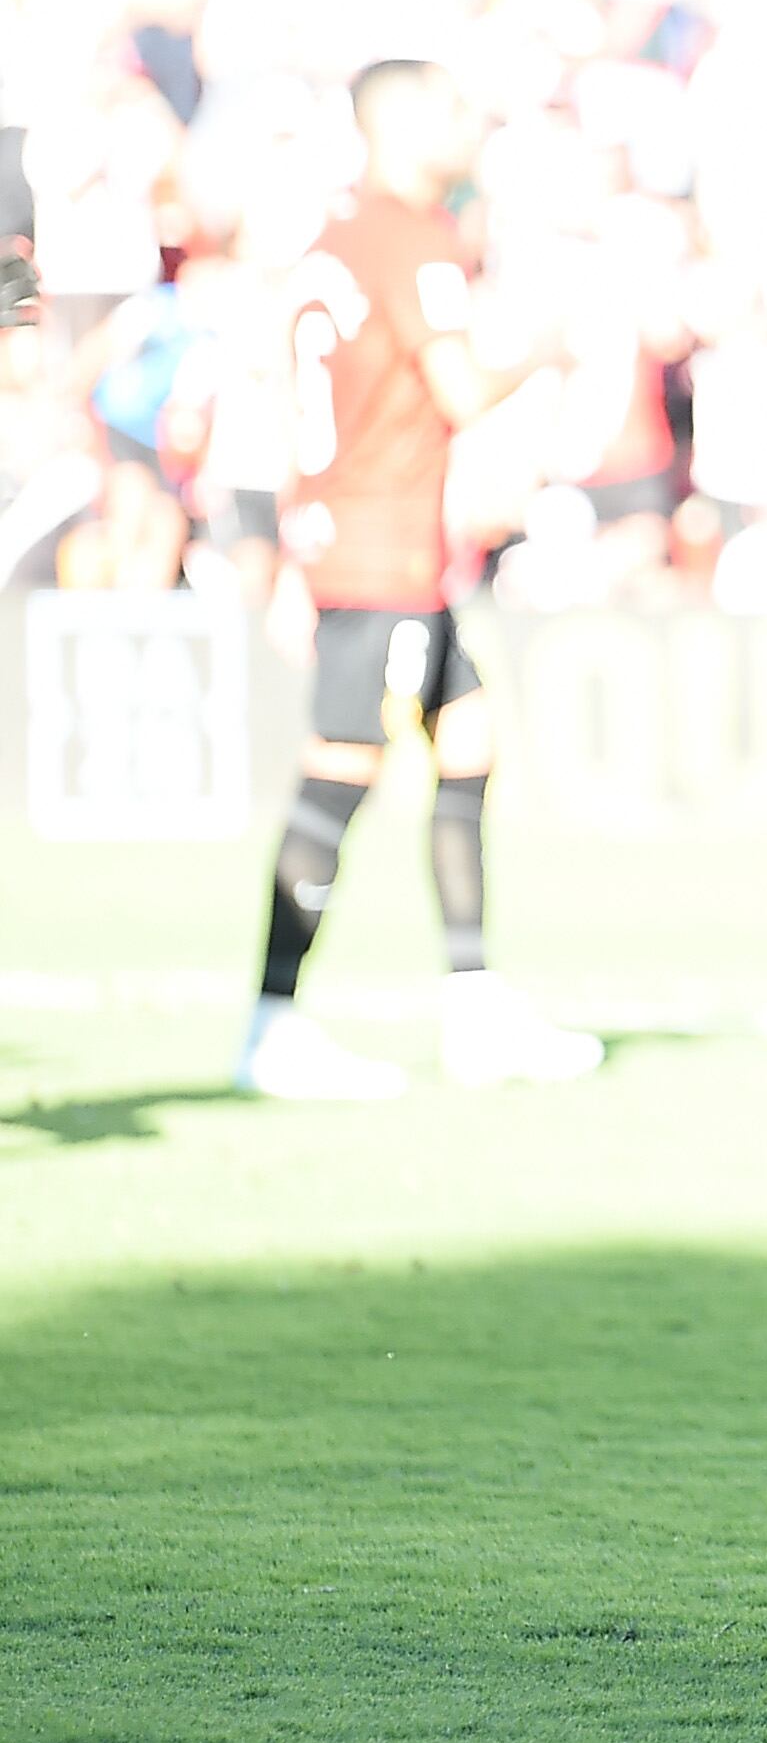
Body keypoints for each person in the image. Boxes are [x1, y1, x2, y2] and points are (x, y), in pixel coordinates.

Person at [239, 59, 599, 1102]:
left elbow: (307, 400)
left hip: (368, 543)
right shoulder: (409, 236)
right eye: (449, 108)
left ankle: (475, 1010)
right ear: (397, 125)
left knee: (470, 741)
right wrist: (546, 351)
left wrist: (296, 542)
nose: (468, 123)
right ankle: (271, 1023)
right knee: (337, 778)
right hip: (380, 551)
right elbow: (462, 388)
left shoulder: (339, 239)